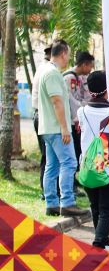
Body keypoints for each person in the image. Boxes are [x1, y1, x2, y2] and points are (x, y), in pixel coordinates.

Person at [38, 39, 88, 217]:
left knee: (52, 166)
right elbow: (57, 102)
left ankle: (52, 203)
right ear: (63, 54)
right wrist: (65, 128)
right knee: (69, 163)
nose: (68, 59)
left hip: (48, 128)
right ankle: (67, 202)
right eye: (68, 54)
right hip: (57, 129)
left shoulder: (47, 71)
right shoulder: (52, 73)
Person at [77, 71, 109, 249]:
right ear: (107, 89)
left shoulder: (82, 112)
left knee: (95, 207)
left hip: (88, 166)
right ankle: (99, 243)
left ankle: (104, 242)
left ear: (89, 89)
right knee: (106, 209)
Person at [64, 51, 95, 164]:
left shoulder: (77, 77)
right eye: (90, 66)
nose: (90, 69)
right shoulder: (70, 77)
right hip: (71, 120)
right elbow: (71, 100)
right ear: (84, 64)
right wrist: (77, 118)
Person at [32, 45, 52, 199]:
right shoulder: (48, 70)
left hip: (40, 115)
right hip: (44, 117)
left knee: (47, 156)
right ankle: (46, 191)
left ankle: (48, 190)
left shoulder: (42, 68)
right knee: (48, 156)